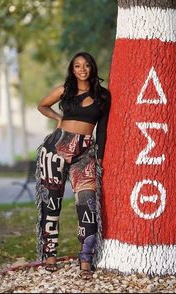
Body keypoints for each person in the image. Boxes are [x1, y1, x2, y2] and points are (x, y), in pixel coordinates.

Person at [35, 51, 111, 279]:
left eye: (86, 65)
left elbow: (103, 130)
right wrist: (58, 120)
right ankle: (50, 256)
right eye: (77, 66)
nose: (82, 69)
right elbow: (42, 105)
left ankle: (85, 260)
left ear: (92, 68)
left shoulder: (103, 96)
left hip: (86, 153)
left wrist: (101, 158)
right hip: (55, 148)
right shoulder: (64, 90)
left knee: (87, 206)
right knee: (51, 203)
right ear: (72, 69)